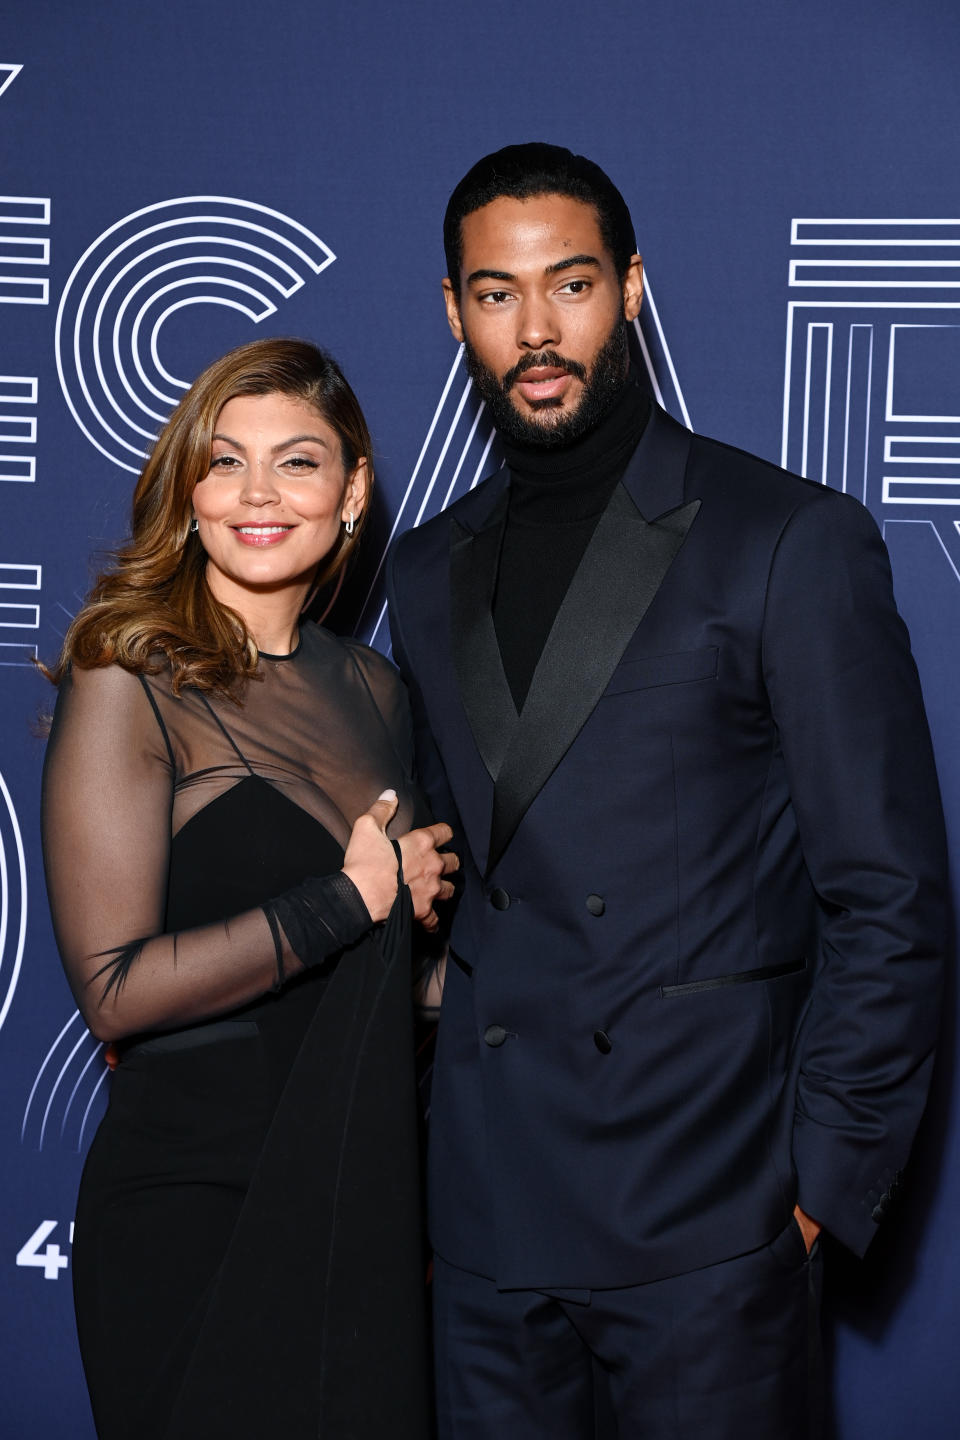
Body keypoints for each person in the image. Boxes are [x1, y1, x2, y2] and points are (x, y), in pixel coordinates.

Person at [386, 143, 948, 1439]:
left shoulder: (784, 538)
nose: (536, 329)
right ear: (452, 309)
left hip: (705, 1213)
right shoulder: (423, 573)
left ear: (632, 287)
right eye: (495, 293)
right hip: (483, 1229)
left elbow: (890, 895)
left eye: (570, 284)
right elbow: (455, 889)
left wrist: (815, 1187)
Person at [41, 337, 457, 1440]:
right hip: (193, 1203)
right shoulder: (129, 670)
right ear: (189, 491)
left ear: (353, 489)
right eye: (225, 462)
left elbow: (383, 992)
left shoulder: (376, 687)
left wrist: (433, 949)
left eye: (299, 462)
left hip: (360, 1194)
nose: (258, 494)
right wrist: (347, 900)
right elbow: (115, 989)